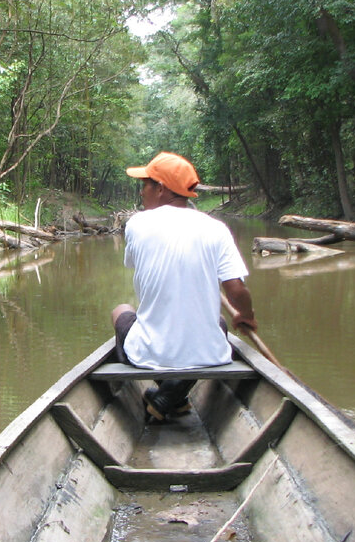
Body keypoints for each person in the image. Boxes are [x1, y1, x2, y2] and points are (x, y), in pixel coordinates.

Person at [110, 151, 258, 422]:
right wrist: (246, 315)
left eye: (145, 184)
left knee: (121, 310)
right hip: (210, 355)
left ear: (161, 188)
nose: (142, 192)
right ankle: (173, 396)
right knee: (221, 325)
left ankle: (167, 396)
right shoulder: (216, 228)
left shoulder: (137, 224)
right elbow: (236, 290)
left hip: (149, 353)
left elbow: (135, 264)